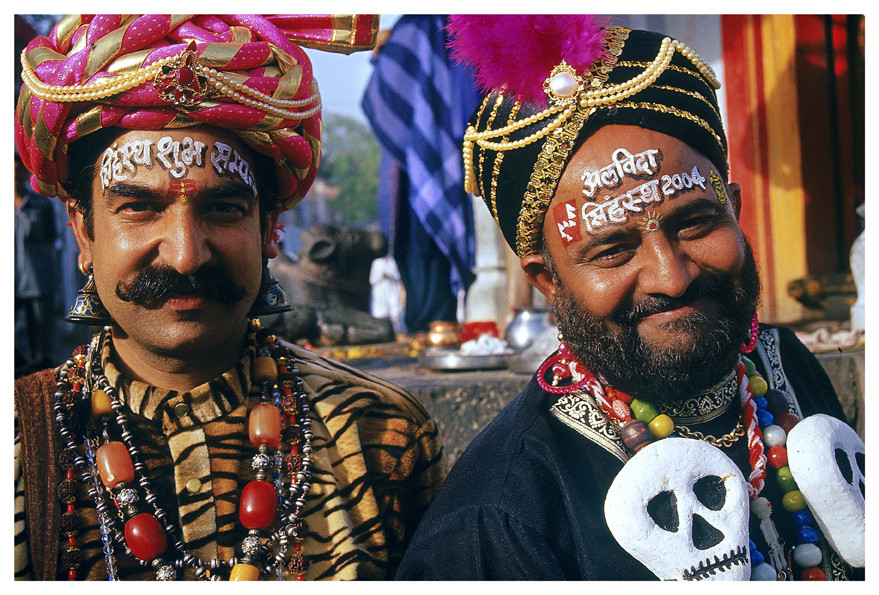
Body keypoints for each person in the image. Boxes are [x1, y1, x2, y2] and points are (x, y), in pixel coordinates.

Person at [396, 15, 864, 581]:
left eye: (695, 224)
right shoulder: (500, 516)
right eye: (612, 250)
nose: (671, 276)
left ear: (734, 212)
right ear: (548, 281)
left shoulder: (782, 363)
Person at [14, 14, 443, 581]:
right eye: (140, 208)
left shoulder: (383, 437)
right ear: (84, 231)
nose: (187, 255)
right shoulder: (20, 443)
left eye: (224, 208)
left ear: (270, 229)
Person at [14, 152, 59, 373]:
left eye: (17, 170)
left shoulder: (41, 205)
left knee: (40, 339)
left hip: (37, 282)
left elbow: (52, 240)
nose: (13, 175)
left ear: (24, 172)